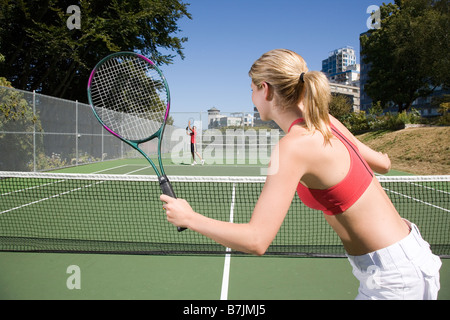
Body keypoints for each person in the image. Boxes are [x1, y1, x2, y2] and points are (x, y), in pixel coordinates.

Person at [161, 49, 441, 300]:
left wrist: (190, 218)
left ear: (266, 89)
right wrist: (383, 156)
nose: (251, 98)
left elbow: (257, 240)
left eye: (252, 89)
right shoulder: (326, 121)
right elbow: (382, 164)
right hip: (411, 256)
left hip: (394, 280)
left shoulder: (292, 147)